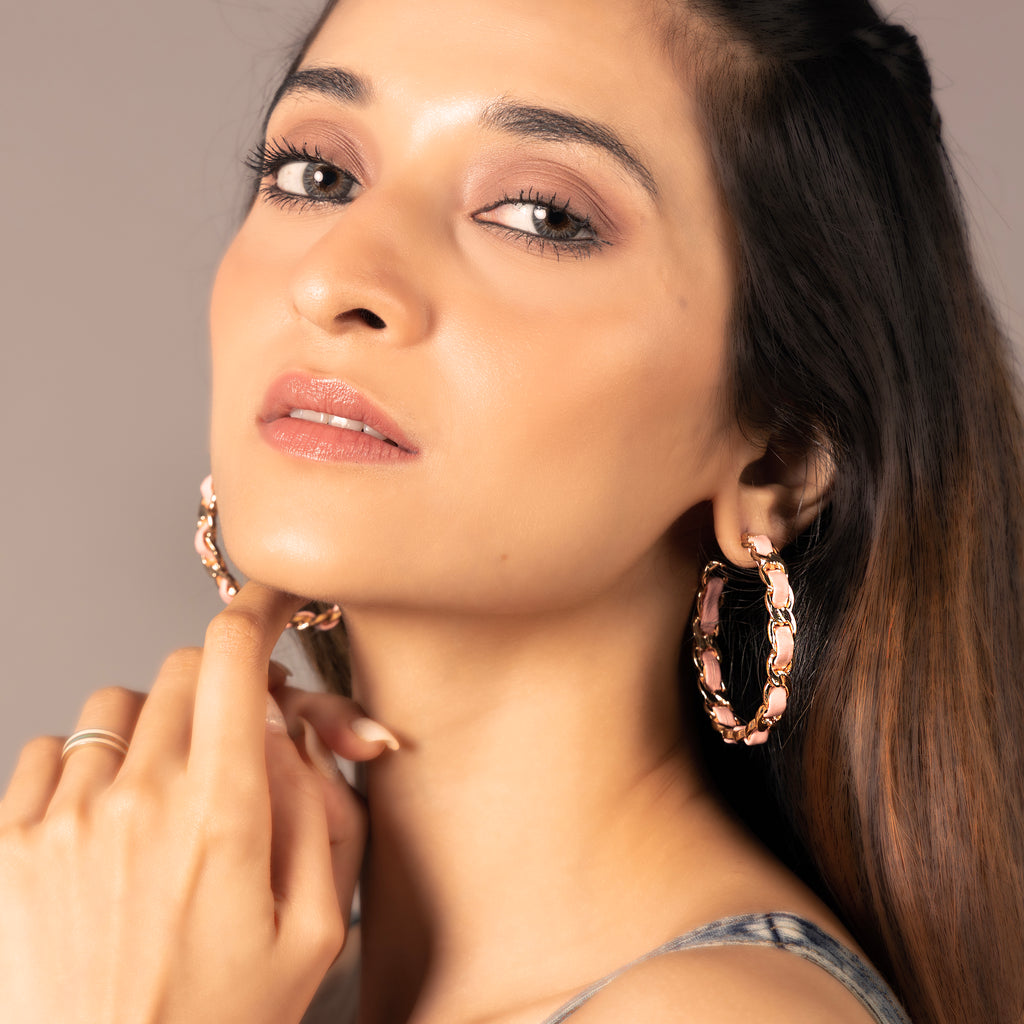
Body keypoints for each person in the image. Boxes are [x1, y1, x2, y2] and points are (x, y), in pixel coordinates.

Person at [1, 0, 1021, 1021]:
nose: (335, 279)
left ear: (779, 459)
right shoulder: (246, 981)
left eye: (540, 215)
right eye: (317, 174)